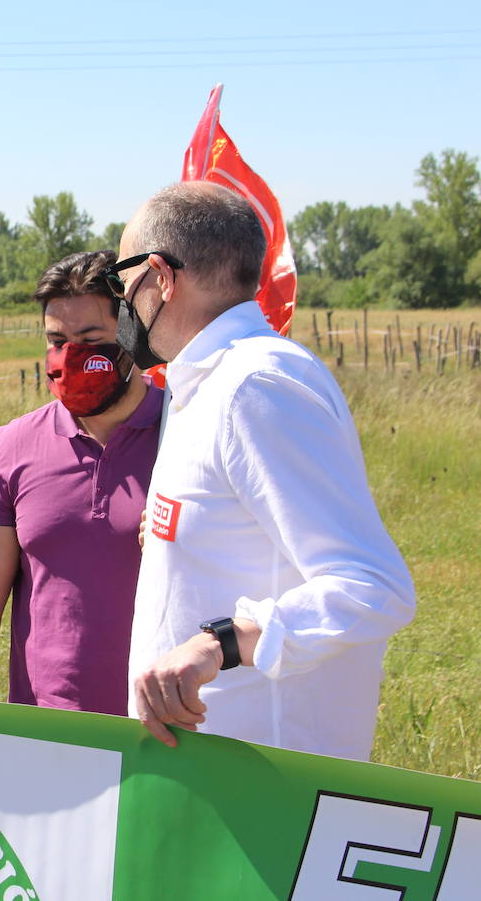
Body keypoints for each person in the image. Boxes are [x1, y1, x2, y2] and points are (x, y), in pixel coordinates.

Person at [117, 182, 415, 760]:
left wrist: (220, 643)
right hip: (206, 764)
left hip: (263, 773)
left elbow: (373, 588)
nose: (121, 302)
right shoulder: (201, 384)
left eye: (123, 284)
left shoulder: (255, 388)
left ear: (161, 278)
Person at [0, 251, 163, 715]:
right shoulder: (14, 445)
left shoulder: (188, 432)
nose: (71, 355)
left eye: (90, 338)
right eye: (57, 339)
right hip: (44, 728)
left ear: (129, 332)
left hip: (167, 732)